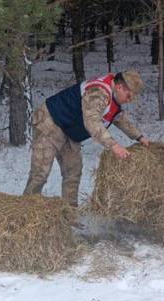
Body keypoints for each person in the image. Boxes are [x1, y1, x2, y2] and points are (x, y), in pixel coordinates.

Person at [23, 70, 150, 207]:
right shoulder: (98, 92)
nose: (129, 101)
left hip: (70, 131)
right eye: (129, 96)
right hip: (51, 122)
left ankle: (69, 213)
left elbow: (119, 118)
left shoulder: (113, 97)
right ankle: (28, 210)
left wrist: (139, 137)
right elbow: (92, 122)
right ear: (120, 87)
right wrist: (113, 145)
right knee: (40, 173)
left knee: (73, 172)